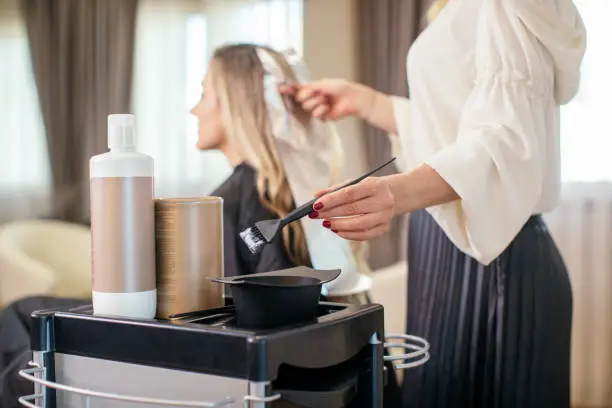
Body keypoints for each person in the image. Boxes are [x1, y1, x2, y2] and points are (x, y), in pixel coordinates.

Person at [283, 0, 587, 407]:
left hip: (492, 260)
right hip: (444, 252)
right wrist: (367, 102)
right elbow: (454, 127)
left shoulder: (497, 5)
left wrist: (394, 193)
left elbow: (503, 140)